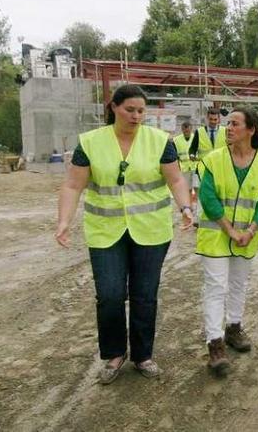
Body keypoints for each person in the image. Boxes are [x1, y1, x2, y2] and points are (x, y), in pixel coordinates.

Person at [55, 84, 194, 384]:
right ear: (114, 108)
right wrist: (64, 220)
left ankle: (143, 355)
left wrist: (185, 207)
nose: (136, 116)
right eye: (130, 110)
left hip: (151, 230)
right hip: (106, 232)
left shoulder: (160, 141)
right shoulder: (90, 143)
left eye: (141, 111)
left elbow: (175, 179)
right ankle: (114, 353)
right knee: (110, 295)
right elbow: (73, 185)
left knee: (145, 295)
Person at [196, 106, 258, 376]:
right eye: (228, 123)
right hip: (216, 235)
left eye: (235, 124)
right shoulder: (213, 160)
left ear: (251, 129)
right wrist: (230, 230)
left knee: (239, 284)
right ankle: (215, 344)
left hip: (247, 237)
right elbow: (207, 198)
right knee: (216, 287)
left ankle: (234, 328)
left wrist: (250, 230)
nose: (228, 128)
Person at [172, 121, 198, 208]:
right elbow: (174, 156)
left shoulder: (196, 138)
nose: (187, 132)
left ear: (191, 129)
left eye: (188, 130)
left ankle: (196, 205)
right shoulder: (176, 140)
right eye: (185, 130)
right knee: (187, 189)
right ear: (182, 130)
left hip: (195, 167)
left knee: (197, 187)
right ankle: (189, 205)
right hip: (184, 168)